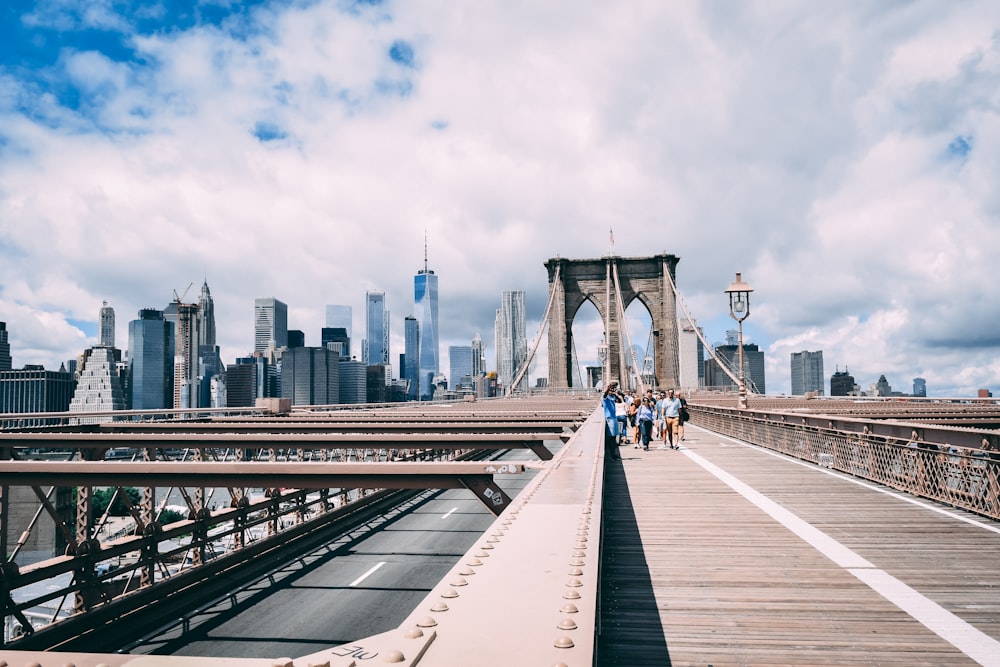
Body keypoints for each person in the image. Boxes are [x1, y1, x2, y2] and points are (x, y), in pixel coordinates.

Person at [602, 382, 623, 461]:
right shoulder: (605, 397)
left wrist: (617, 394)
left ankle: (613, 453)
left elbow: (621, 400)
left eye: (613, 389)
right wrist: (608, 388)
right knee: (611, 437)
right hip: (609, 417)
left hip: (614, 417)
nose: (612, 390)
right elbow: (605, 395)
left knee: (614, 437)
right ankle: (612, 454)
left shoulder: (613, 397)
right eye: (611, 389)